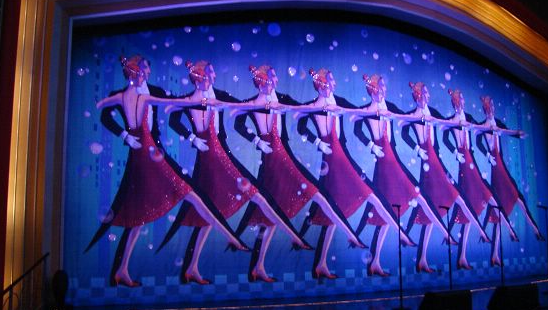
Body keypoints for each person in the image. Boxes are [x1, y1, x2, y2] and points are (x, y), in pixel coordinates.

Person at [88, 55, 246, 286]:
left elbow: (172, 104)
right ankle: (230, 237)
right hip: (145, 156)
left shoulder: (150, 91)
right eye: (144, 68)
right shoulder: (128, 95)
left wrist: (201, 104)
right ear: (135, 72)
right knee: (189, 195)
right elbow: (104, 112)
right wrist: (125, 135)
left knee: (143, 210)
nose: (147, 72)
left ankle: (122, 270)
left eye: (147, 69)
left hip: (152, 152)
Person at [159, 60, 297, 284]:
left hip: (229, 153)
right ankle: (226, 250)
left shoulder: (225, 95)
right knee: (215, 206)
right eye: (210, 73)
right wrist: (192, 137)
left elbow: (243, 108)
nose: (213, 76)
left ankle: (203, 264)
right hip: (210, 158)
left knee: (217, 207)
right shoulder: (191, 98)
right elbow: (174, 118)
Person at [232, 64, 364, 281]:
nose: (275, 80)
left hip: (284, 157)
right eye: (271, 77)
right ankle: (264, 262)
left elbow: (303, 110)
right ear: (262, 80)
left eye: (275, 77)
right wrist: (256, 140)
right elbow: (238, 122)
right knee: (284, 207)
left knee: (288, 206)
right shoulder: (253, 103)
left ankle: (263, 264)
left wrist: (324, 111)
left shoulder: (283, 98)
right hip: (273, 161)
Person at [297, 69, 417, 278]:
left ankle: (322, 263)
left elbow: (361, 114)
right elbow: (300, 123)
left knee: (335, 210)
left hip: (342, 156)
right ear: (322, 84)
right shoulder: (313, 106)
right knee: (366, 195)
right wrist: (317, 141)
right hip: (333, 159)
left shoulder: (341, 102)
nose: (333, 85)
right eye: (330, 81)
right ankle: (400, 235)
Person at [352, 73, 454, 275]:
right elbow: (356, 127)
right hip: (385, 164)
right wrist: (371, 145)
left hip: (393, 160)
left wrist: (421, 118)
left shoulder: (391, 107)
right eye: (380, 86)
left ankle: (376, 261)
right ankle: (437, 234)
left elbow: (406, 120)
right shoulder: (367, 110)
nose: (384, 89)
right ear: (372, 89)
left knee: (388, 211)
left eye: (384, 86)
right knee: (415, 195)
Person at [401, 82, 486, 272]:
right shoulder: (412, 115)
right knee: (451, 198)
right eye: (424, 93)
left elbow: (449, 126)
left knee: (431, 209)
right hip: (428, 164)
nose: (428, 96)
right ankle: (471, 233)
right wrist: (417, 148)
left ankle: (422, 257)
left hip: (436, 162)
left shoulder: (435, 113)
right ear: (418, 95)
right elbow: (404, 130)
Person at [443, 88, 516, 268]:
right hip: (464, 166)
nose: (460, 103)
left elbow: (479, 132)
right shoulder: (451, 120)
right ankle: (506, 232)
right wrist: (455, 151)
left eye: (461, 99)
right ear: (454, 103)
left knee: (474, 206)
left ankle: (463, 255)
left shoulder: (469, 117)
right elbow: (445, 137)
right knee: (474, 204)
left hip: (471, 163)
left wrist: (511, 133)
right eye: (457, 100)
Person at [476, 95, 544, 241]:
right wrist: (487, 154)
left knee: (514, 199)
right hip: (496, 167)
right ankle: (532, 231)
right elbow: (478, 141)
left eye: (491, 106)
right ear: (484, 109)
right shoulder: (482, 126)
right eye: (488, 107)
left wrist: (517, 134)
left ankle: (535, 230)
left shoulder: (497, 123)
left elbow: (506, 131)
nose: (490, 109)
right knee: (510, 199)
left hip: (500, 166)